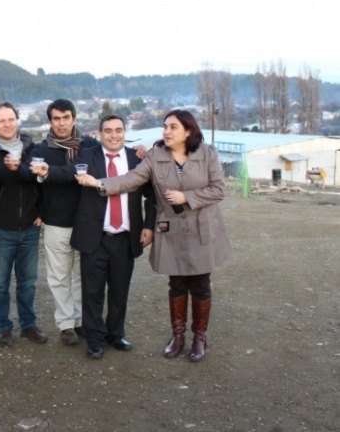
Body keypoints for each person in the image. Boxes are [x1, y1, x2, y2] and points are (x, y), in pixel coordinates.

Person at [76, 109, 232, 362]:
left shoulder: (207, 153)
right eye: (165, 126)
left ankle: (199, 338)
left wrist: (187, 198)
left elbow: (218, 190)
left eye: (173, 127)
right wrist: (100, 184)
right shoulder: (155, 156)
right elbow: (132, 179)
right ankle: (178, 336)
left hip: (202, 229)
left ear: (188, 131)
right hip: (172, 231)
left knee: (201, 285)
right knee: (177, 284)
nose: (166, 132)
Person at [70, 115, 156, 359]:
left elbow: (152, 195)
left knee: (119, 291)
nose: (114, 135)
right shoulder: (86, 156)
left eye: (118, 130)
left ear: (125, 132)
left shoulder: (136, 158)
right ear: (99, 134)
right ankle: (95, 339)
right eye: (108, 131)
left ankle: (115, 334)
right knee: (92, 292)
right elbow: (66, 169)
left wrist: (149, 225)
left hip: (125, 237)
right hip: (94, 236)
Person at [28, 99, 99, 345]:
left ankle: (80, 321)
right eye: (56, 118)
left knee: (82, 275)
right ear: (50, 121)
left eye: (66, 117)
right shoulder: (40, 151)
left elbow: (114, 155)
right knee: (58, 277)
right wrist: (38, 210)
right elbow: (34, 186)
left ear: (74, 119)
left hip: (86, 221)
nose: (61, 123)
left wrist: (144, 149)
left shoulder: (89, 146)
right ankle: (65, 324)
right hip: (57, 222)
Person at [0, 102, 47, 347]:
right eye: (1, 120)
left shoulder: (33, 148)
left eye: (11, 119)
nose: (7, 124)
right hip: (0, 228)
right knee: (0, 283)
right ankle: (3, 327)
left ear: (18, 120)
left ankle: (28, 325)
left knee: (28, 281)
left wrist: (42, 211)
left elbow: (40, 182)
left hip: (29, 226)